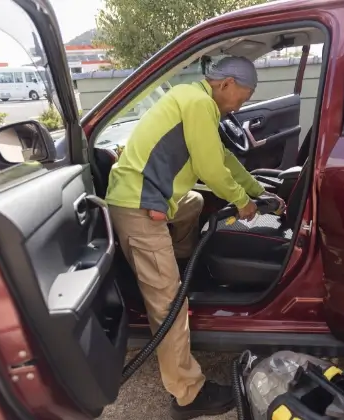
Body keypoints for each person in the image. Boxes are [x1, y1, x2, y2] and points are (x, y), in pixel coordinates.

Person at [105, 56, 284, 420]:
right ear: (226, 84)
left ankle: (186, 263)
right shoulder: (200, 102)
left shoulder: (194, 100)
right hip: (138, 208)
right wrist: (241, 202)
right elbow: (210, 168)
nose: (240, 105)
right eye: (242, 98)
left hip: (153, 197)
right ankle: (188, 394)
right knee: (169, 306)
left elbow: (224, 160)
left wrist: (257, 190)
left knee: (194, 201)